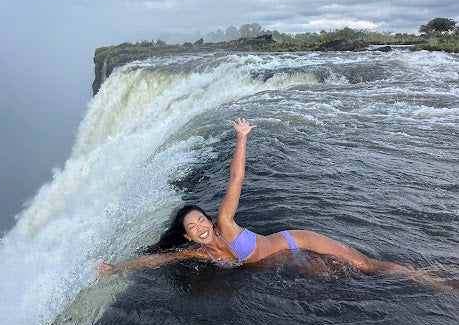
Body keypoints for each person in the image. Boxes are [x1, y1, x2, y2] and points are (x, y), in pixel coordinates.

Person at [97, 119, 450, 290]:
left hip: (296, 242)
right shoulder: (201, 254)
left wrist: (241, 138)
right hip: (289, 264)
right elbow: (160, 258)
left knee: (366, 267)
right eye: (192, 227)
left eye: (200, 220)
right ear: (188, 236)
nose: (200, 227)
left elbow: (235, 181)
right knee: (332, 289)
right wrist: (116, 268)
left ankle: (439, 283)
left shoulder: (225, 224)